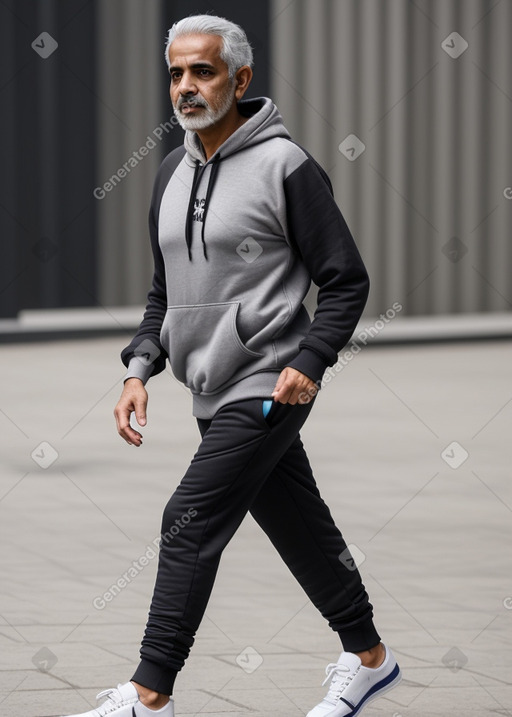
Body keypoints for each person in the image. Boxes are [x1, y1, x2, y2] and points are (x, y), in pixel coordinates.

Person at [62, 14, 401, 717]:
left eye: (203, 71)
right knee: (300, 527)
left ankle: (151, 692)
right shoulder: (166, 175)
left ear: (240, 79)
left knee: (187, 517)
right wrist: (137, 369)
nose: (186, 86)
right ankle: (370, 657)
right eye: (177, 72)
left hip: (271, 381)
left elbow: (346, 279)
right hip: (208, 389)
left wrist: (311, 359)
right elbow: (163, 293)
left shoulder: (286, 167)